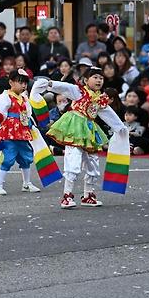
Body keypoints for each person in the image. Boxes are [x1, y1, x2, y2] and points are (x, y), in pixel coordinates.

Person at [40, 69, 127, 209]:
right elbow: (65, 87)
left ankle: (88, 195)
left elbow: (108, 114)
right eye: (95, 77)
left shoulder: (100, 99)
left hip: (89, 131)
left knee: (92, 163)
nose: (99, 80)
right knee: (73, 159)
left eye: (101, 78)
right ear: (86, 80)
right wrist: (50, 84)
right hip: (74, 128)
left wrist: (119, 127)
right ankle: (67, 195)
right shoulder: (79, 91)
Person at [0, 69, 42, 195]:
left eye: (25, 83)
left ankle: (26, 183)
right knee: (8, 158)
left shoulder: (24, 98)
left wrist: (30, 124)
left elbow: (28, 114)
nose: (24, 85)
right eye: (20, 82)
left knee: (26, 157)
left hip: (22, 131)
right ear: (11, 82)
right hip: (9, 132)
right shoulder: (5, 97)